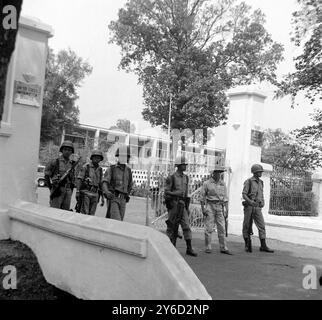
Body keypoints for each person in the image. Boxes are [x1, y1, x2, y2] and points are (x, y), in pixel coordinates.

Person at [164, 156, 197, 257]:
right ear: (178, 165)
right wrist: (176, 193)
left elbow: (186, 193)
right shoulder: (172, 177)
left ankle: (189, 248)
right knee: (172, 227)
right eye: (183, 164)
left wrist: (187, 207)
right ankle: (171, 247)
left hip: (182, 204)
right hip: (174, 204)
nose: (185, 166)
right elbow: (166, 192)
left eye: (185, 164)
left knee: (186, 226)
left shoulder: (186, 177)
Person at [242, 164, 274, 253]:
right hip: (249, 206)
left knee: (262, 226)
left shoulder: (261, 182)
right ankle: (247, 245)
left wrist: (262, 201)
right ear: (255, 172)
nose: (261, 173)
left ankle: (263, 246)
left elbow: (261, 193)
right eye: (259, 172)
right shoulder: (249, 181)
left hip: (257, 207)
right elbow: (244, 194)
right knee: (247, 226)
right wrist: (250, 202)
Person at [200, 167, 232, 255]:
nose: (218, 174)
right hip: (210, 205)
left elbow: (225, 198)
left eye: (220, 172)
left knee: (222, 228)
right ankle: (208, 246)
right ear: (213, 173)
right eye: (217, 172)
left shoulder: (223, 184)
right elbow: (202, 198)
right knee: (209, 227)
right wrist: (203, 209)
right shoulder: (207, 183)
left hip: (220, 206)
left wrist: (226, 210)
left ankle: (223, 247)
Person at [102, 146, 133, 221]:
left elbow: (130, 185)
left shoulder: (128, 171)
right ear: (118, 156)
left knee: (117, 222)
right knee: (116, 220)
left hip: (123, 200)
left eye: (125, 156)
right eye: (122, 156)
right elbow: (104, 182)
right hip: (113, 198)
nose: (123, 158)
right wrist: (106, 192)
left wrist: (127, 194)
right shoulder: (112, 169)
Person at [44, 140, 76, 210]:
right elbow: (46, 176)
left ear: (72, 152)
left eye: (69, 150)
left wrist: (71, 189)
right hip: (58, 188)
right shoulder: (55, 162)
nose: (67, 151)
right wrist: (51, 188)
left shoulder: (72, 164)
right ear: (62, 150)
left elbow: (73, 179)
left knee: (65, 212)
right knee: (55, 211)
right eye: (65, 149)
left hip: (68, 190)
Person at [75, 150, 104, 216]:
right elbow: (79, 179)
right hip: (86, 192)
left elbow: (101, 184)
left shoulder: (100, 169)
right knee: (85, 213)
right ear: (92, 158)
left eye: (99, 158)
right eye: (95, 157)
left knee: (92, 214)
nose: (97, 159)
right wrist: (77, 191)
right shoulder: (86, 167)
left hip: (95, 194)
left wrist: (102, 197)